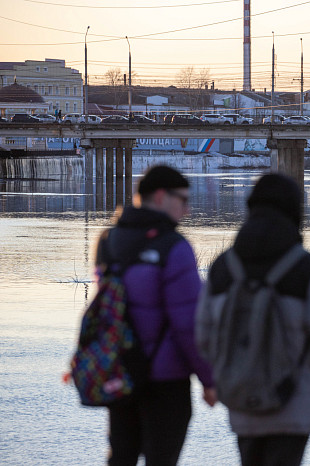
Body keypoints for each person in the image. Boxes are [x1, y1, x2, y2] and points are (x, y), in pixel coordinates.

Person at [201, 173, 310, 466]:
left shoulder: (222, 269)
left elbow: (204, 337)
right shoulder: (309, 270)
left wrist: (227, 375)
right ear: (295, 211)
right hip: (295, 402)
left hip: (243, 399)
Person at [96, 165, 216, 466]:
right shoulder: (175, 248)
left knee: (121, 457)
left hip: (121, 371)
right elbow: (188, 324)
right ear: (161, 197)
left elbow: (112, 308)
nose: (186, 211)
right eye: (183, 201)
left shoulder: (108, 240)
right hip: (166, 380)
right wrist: (209, 379)